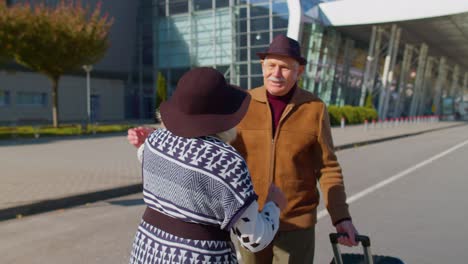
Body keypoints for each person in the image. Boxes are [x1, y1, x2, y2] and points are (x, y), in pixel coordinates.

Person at [128, 35, 359, 264]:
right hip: (249, 216)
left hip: (296, 223)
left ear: (299, 71)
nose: (276, 73)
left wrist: (341, 218)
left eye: (285, 68)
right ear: (262, 66)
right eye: (271, 65)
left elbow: (328, 167)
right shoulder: (240, 104)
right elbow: (202, 145)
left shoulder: (315, 109)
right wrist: (168, 134)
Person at [128, 67, 287, 264]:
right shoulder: (227, 161)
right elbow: (253, 240)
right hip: (197, 256)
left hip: (147, 250)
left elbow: (147, 157)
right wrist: (274, 205)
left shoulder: (154, 141)